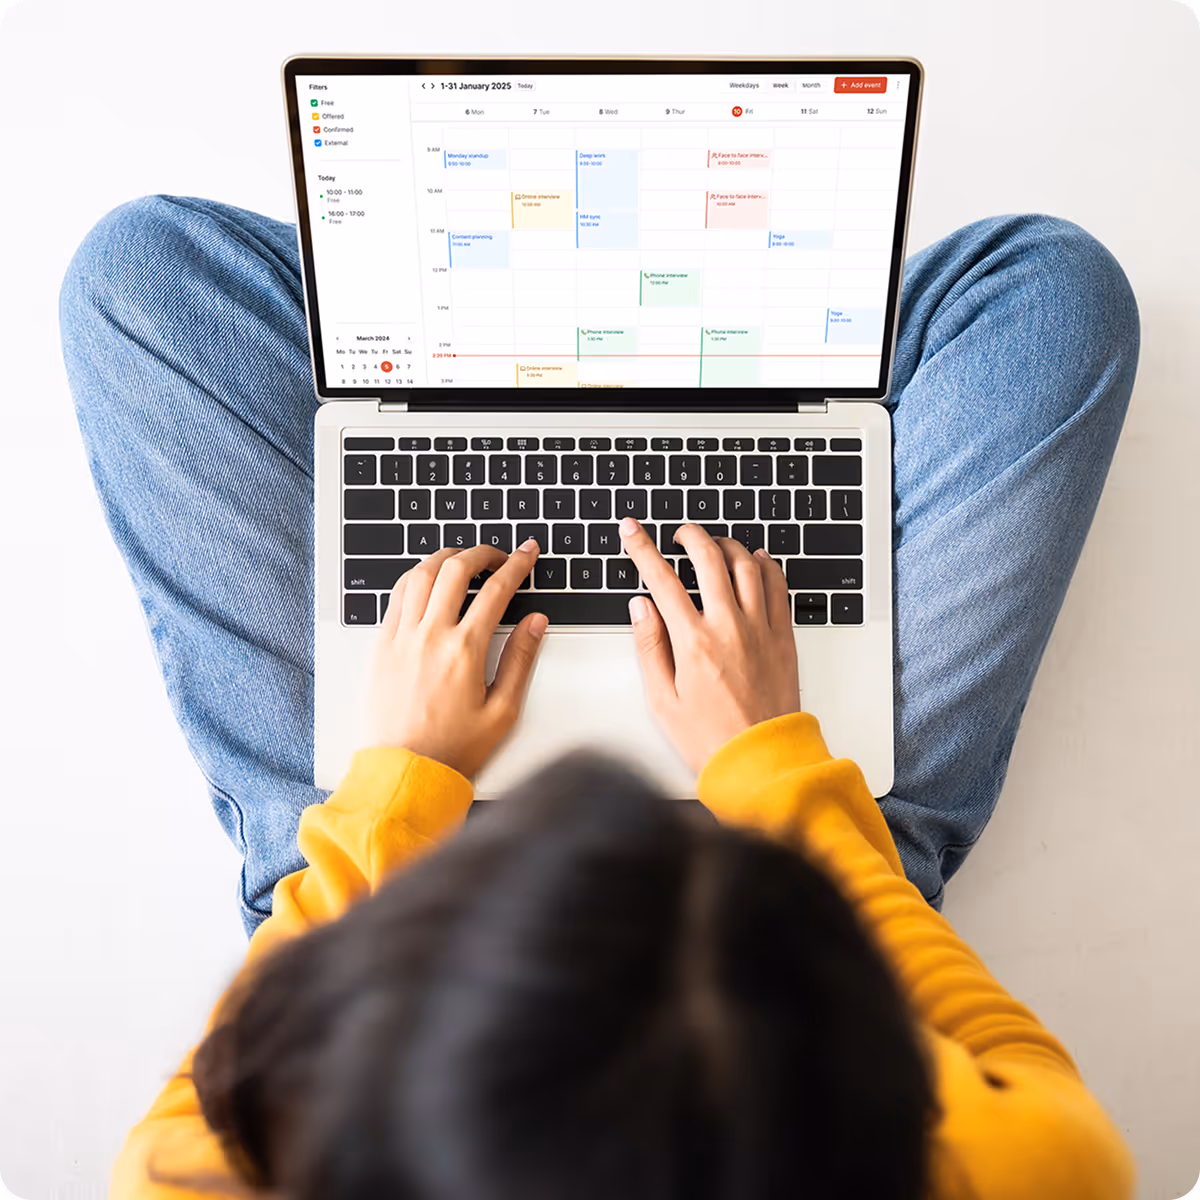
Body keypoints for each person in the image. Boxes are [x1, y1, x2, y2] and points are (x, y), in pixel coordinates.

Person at [59, 197, 1141, 1199]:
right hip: (808, 907)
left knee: (137, 271)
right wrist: (773, 763)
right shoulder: (1017, 1167)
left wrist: (394, 778)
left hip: (384, 931)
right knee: (1050, 290)